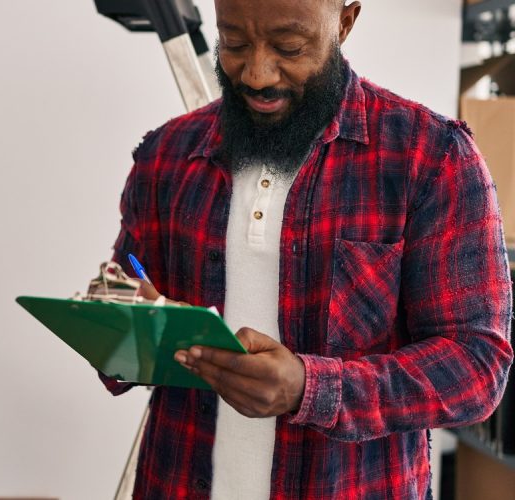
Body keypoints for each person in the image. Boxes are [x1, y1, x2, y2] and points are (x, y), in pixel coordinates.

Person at [99, 0, 515, 498]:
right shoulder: (167, 153)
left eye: (288, 47)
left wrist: (308, 388)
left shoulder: (431, 158)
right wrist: (117, 321)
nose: (256, 73)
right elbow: (120, 306)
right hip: (176, 482)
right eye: (233, 42)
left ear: (345, 20)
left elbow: (476, 369)